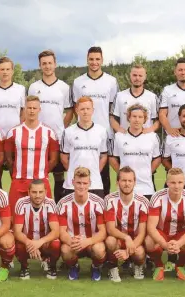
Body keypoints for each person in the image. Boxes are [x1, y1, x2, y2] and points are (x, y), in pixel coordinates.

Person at [71, 46, 119, 196]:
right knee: (79, 176)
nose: (94, 62)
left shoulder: (111, 81)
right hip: (83, 134)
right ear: (87, 60)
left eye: (97, 59)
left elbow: (113, 109)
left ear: (102, 60)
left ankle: (103, 211)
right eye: (91, 59)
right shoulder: (78, 82)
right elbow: (75, 107)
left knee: (103, 178)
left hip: (103, 135)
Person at [27, 50, 72, 201]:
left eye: (49, 63)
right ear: (40, 65)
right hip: (37, 138)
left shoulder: (64, 87)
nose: (47, 66)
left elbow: (70, 111)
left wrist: (61, 127)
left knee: (59, 175)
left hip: (57, 138)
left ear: (55, 64)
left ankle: (58, 209)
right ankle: (38, 208)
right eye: (44, 63)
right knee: (38, 175)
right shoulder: (33, 87)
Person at [146, 168, 185, 281]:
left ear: (184, 182)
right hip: (162, 232)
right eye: (173, 182)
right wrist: (164, 244)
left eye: (180, 182)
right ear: (167, 182)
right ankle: (159, 265)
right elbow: (151, 227)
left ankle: (179, 266)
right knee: (149, 241)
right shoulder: (157, 197)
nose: (176, 186)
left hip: (181, 233)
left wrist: (179, 243)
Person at [4, 95, 59, 206]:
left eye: (34, 108)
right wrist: (16, 174)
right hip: (19, 182)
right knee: (15, 220)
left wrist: (42, 172)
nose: (32, 111)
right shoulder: (13, 132)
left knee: (44, 219)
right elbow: (9, 159)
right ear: (24, 109)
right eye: (29, 108)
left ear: (39, 109)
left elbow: (53, 160)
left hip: (41, 182)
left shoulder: (49, 132)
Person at [57, 167, 107, 281]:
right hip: (73, 243)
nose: (81, 186)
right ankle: (74, 266)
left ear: (89, 184)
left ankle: (95, 267)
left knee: (99, 249)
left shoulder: (98, 203)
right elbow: (61, 231)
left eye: (85, 183)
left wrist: (87, 241)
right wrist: (71, 241)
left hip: (92, 243)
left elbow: (103, 232)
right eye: (78, 183)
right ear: (73, 182)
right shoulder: (63, 203)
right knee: (65, 250)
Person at [0, 56, 26, 187]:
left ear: (13, 71)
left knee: (16, 171)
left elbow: (23, 112)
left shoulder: (20, 89)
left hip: (14, 138)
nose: (5, 72)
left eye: (8, 69)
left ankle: (17, 201)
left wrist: (19, 130)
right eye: (2, 69)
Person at [103, 167, 150, 282]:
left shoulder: (143, 202)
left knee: (139, 253)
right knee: (110, 241)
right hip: (119, 239)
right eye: (124, 180)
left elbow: (142, 233)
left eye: (130, 181)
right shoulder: (109, 200)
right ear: (117, 182)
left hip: (135, 241)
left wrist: (128, 251)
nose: (127, 184)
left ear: (134, 183)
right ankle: (113, 267)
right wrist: (126, 237)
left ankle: (137, 265)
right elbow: (110, 229)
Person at [110, 104, 162, 200]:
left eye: (140, 117)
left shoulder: (152, 137)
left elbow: (157, 158)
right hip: (124, 188)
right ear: (128, 118)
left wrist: (148, 172)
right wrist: (123, 173)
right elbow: (112, 158)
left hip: (146, 188)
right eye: (134, 116)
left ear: (144, 119)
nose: (137, 120)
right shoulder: (119, 137)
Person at [60, 96, 108, 198]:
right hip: (72, 185)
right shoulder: (68, 132)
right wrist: (74, 172)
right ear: (77, 110)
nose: (85, 112)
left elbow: (103, 156)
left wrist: (95, 170)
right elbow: (64, 158)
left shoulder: (102, 131)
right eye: (82, 109)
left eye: (88, 109)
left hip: (95, 184)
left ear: (93, 110)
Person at [12, 179, 61, 280]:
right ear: (29, 192)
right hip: (27, 242)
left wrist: (39, 242)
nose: (37, 195)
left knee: (56, 244)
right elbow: (17, 232)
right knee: (18, 243)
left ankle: (52, 267)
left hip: (44, 243)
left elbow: (56, 231)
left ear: (46, 192)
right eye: (34, 192)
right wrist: (30, 243)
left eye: (40, 192)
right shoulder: (21, 203)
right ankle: (24, 267)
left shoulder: (50, 203)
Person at [110, 64, 160, 133]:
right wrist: (120, 130)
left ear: (145, 77)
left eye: (140, 76)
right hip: (126, 139)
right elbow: (112, 118)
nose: (137, 78)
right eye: (134, 75)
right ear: (130, 76)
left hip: (145, 139)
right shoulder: (119, 96)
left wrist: (149, 130)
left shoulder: (152, 97)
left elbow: (158, 120)